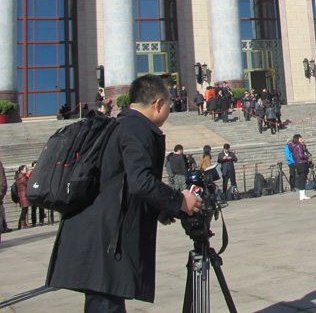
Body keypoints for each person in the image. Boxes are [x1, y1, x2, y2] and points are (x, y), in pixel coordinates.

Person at [46, 74, 202, 311]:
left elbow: (121, 182)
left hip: (97, 234)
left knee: (105, 303)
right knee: (105, 305)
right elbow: (140, 181)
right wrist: (180, 200)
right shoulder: (136, 128)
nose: (169, 109)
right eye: (168, 104)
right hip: (105, 238)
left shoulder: (120, 124)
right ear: (158, 103)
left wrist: (159, 209)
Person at [289, 134, 311, 201]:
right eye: (300, 138)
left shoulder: (294, 146)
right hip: (302, 163)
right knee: (303, 178)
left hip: (297, 163)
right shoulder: (299, 146)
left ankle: (302, 194)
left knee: (301, 178)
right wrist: (307, 156)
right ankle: (302, 194)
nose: (301, 139)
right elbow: (301, 155)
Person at [15, 164, 30, 229]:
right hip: (24, 196)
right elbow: (28, 184)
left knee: (24, 209)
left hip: (22, 195)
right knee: (24, 210)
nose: (26, 170)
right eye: (25, 169)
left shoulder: (19, 177)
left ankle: (21, 224)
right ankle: (22, 224)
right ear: (21, 170)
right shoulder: (23, 177)